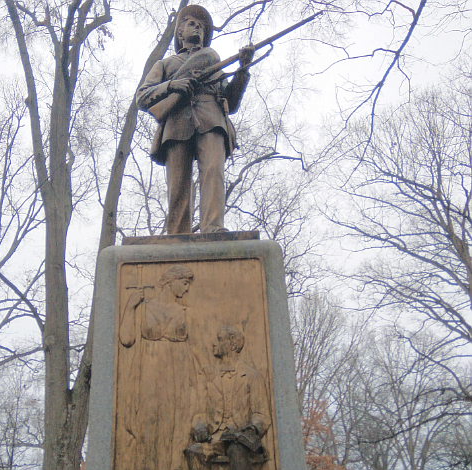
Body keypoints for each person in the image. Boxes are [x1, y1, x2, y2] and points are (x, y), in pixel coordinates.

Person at [136, 5, 254, 234]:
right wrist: (172, 85)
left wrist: (243, 68)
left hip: (212, 121)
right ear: (180, 33)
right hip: (177, 124)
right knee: (178, 183)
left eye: (201, 26)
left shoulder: (213, 63)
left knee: (213, 171)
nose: (197, 28)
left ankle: (213, 228)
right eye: (192, 23)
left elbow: (232, 101)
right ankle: (178, 235)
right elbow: (142, 97)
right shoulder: (166, 64)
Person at [119, 265, 198, 470]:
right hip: (149, 374)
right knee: (148, 427)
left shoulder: (185, 312)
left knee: (175, 430)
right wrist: (130, 307)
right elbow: (126, 339)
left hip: (178, 376)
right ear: (171, 281)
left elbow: (197, 350)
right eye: (185, 283)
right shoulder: (144, 307)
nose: (188, 288)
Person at [185, 326, 271, 470]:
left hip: (241, 441)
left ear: (233, 345)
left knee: (236, 451)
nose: (214, 343)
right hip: (214, 439)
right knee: (194, 451)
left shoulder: (253, 377)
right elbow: (199, 411)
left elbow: (261, 414)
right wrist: (199, 428)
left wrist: (251, 429)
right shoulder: (207, 375)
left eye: (219, 340)